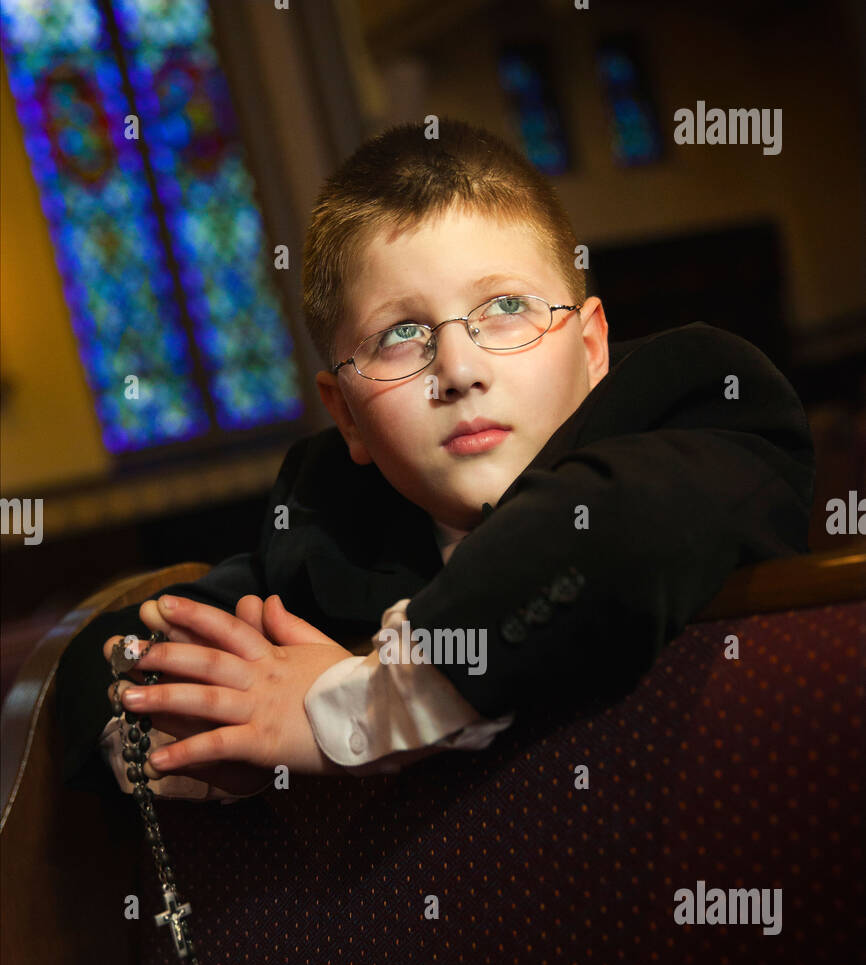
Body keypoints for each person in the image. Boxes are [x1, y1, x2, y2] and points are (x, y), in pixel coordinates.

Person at [55, 117, 815, 802]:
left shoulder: (705, 402)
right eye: (400, 335)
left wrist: (348, 708)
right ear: (346, 414)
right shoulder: (330, 529)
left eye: (506, 307)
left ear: (591, 349)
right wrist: (179, 731)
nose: (458, 369)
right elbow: (104, 655)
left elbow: (617, 537)